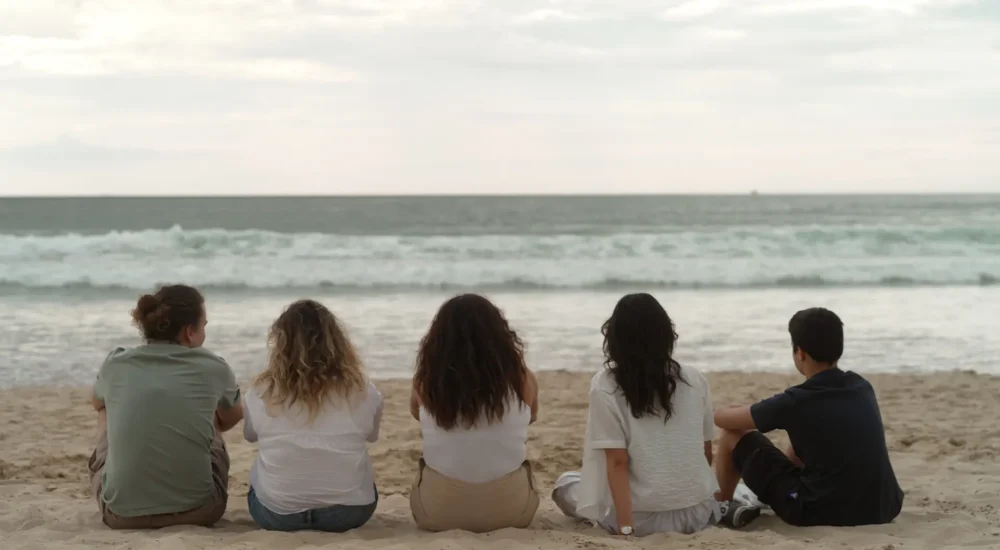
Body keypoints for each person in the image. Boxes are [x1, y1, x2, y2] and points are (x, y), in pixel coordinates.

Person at [551, 293, 759, 538]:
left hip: (641, 520)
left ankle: (729, 503)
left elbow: (617, 463)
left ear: (616, 338)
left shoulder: (605, 384)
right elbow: (705, 452)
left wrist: (626, 530)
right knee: (736, 488)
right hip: (697, 514)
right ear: (666, 335)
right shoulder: (694, 378)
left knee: (566, 485)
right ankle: (732, 504)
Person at [714, 307, 904, 527]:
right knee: (812, 431)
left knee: (732, 435)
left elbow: (723, 419)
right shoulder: (861, 386)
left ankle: (721, 505)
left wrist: (727, 408)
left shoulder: (797, 400)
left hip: (817, 510)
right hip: (883, 507)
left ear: (800, 353)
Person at [88, 285, 243, 529]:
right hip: (202, 510)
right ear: (189, 332)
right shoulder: (214, 366)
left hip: (120, 515)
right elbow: (233, 416)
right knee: (209, 411)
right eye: (204, 326)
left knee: (107, 409)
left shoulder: (116, 363)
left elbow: (97, 402)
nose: (205, 333)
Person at [243, 300, 382, 532]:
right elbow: (372, 436)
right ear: (337, 342)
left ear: (280, 343)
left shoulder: (260, 391)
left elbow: (250, 436)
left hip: (276, 515)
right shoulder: (363, 390)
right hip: (349, 513)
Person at [408, 294, 540, 533]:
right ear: (499, 334)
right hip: (512, 513)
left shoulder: (425, 381)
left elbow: (417, 415)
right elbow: (530, 418)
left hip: (437, 514)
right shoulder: (522, 379)